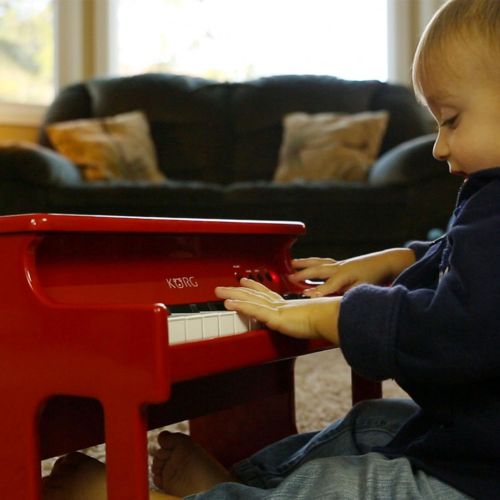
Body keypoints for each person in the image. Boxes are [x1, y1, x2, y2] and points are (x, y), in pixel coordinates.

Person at [42, 0, 500, 498]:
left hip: (475, 480)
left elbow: (450, 333)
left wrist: (331, 315)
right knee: (371, 423)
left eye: (450, 119)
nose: (438, 146)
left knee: (350, 485)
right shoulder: (489, 197)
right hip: (476, 443)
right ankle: (238, 485)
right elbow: (466, 258)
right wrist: (394, 260)